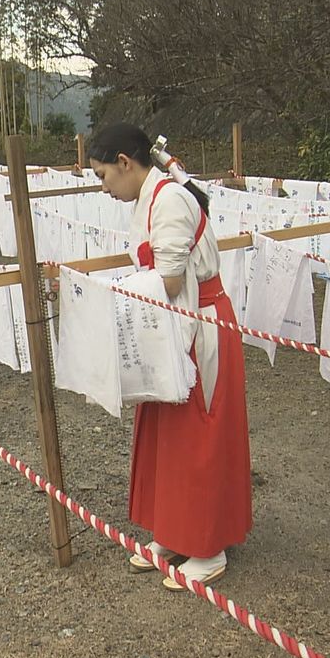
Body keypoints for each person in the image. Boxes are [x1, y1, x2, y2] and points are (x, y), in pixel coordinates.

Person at [87, 123, 251, 590]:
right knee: (167, 430)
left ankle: (208, 545)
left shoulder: (171, 200)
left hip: (199, 325)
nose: (103, 187)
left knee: (198, 433)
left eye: (103, 176)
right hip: (167, 323)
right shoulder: (147, 198)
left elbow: (172, 279)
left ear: (125, 162)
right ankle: (175, 532)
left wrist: (107, 295)